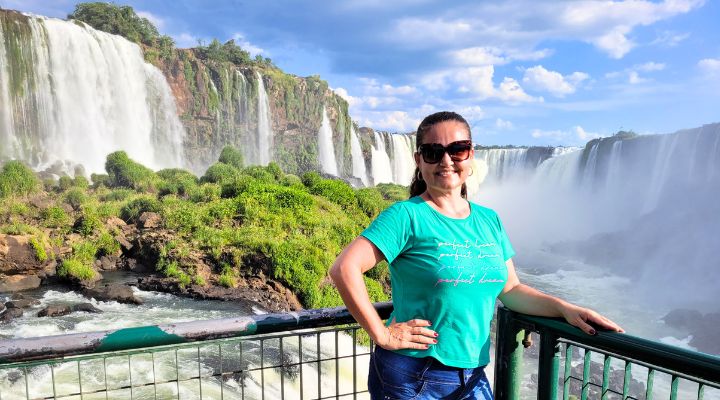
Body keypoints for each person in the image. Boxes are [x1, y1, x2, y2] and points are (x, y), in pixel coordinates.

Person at [329, 111, 624, 399]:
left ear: (471, 156)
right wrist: (381, 334)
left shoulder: (488, 220)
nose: (446, 160)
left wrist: (564, 309)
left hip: (472, 374)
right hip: (412, 374)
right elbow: (344, 269)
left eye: (457, 150)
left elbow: (511, 290)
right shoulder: (406, 216)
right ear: (419, 160)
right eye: (433, 152)